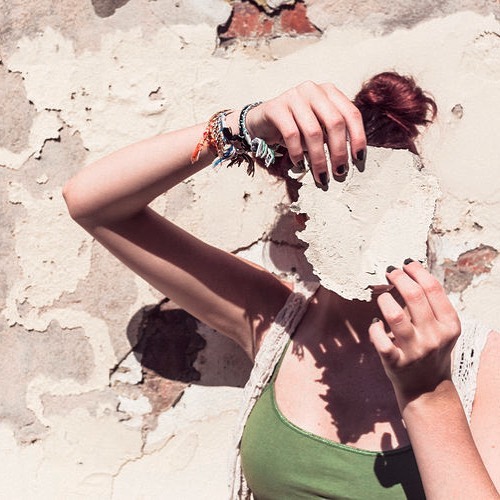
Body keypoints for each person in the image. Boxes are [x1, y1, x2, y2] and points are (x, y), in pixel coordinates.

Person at [62, 73, 499, 499]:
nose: (370, 225)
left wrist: (428, 394)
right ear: (304, 215)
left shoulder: (482, 365)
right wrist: (241, 126)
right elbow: (92, 204)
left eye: (392, 201)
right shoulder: (275, 320)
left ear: (423, 207)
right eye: (341, 202)